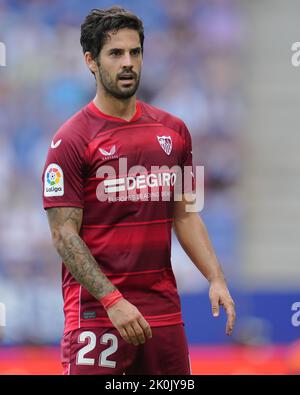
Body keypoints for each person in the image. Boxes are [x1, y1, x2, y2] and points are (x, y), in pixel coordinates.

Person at [42, 6, 236, 375]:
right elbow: (63, 235)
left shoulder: (176, 131)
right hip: (98, 317)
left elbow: (187, 213)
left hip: (163, 314)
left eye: (135, 52)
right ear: (91, 61)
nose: (128, 62)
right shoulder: (69, 141)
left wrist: (215, 277)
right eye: (116, 54)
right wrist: (112, 300)